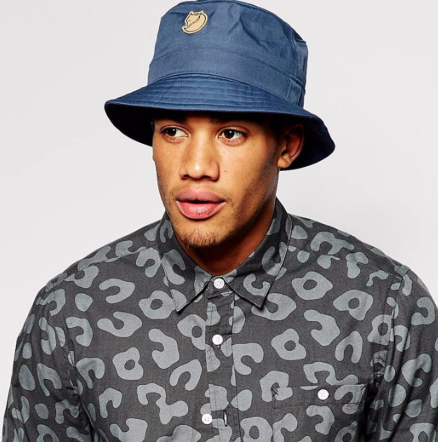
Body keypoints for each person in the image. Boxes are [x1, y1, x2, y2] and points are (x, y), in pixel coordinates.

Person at [2, 0, 438, 441]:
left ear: (287, 146)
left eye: (230, 133)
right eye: (173, 131)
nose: (195, 166)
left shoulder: (384, 305)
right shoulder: (72, 311)